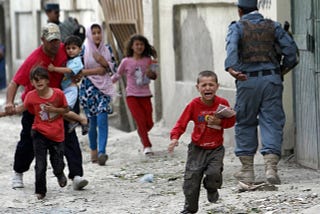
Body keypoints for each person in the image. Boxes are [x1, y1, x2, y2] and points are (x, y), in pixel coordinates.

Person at [5, 23, 88, 190]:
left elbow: (77, 59)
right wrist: (9, 102)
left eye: (57, 40)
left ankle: (76, 175)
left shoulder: (65, 49)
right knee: (28, 141)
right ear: (43, 40)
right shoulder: (34, 58)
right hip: (34, 105)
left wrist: (77, 73)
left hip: (58, 102)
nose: (55, 44)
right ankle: (18, 173)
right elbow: (14, 82)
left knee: (69, 137)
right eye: (51, 41)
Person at [224, 0, 299, 185]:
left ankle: (248, 171)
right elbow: (292, 54)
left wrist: (232, 69)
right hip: (272, 80)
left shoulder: (237, 27)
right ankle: (271, 168)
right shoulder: (274, 26)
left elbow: (232, 49)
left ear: (240, 11)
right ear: (257, 8)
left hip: (246, 80)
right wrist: (279, 71)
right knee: (272, 121)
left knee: (245, 122)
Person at [168, 70, 236, 214]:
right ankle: (189, 209)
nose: (208, 88)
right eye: (204, 85)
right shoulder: (193, 105)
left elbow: (231, 121)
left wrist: (220, 122)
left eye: (211, 84)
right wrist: (175, 138)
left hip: (216, 149)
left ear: (217, 86)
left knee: (214, 174)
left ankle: (211, 188)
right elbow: (181, 123)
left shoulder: (222, 103)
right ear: (197, 87)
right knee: (191, 182)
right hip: (197, 150)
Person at [11, 67, 68, 200]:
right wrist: (8, 110)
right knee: (40, 163)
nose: (39, 82)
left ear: (47, 80)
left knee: (57, 161)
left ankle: (59, 173)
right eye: (35, 80)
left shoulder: (58, 94)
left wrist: (53, 109)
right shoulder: (31, 96)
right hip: (39, 132)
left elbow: (66, 110)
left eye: (41, 78)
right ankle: (40, 190)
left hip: (57, 133)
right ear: (32, 82)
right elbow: (23, 108)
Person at [111, 34, 157, 155]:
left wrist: (150, 72)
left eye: (141, 44)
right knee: (140, 120)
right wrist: (106, 83)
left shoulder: (148, 60)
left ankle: (142, 132)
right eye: (137, 44)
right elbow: (117, 75)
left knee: (149, 123)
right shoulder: (126, 61)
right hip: (132, 96)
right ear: (132, 46)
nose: (139, 47)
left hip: (146, 95)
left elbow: (154, 76)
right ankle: (147, 146)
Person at [77, 22, 116, 165]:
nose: (97, 35)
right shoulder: (84, 50)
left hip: (103, 89)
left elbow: (114, 69)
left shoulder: (107, 49)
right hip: (88, 90)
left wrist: (104, 62)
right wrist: (96, 71)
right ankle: (93, 150)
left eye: (99, 32)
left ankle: (102, 152)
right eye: (93, 33)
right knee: (92, 123)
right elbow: (77, 72)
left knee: (102, 119)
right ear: (89, 35)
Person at [48, 35, 89, 135]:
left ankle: (82, 120)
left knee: (63, 110)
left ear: (80, 49)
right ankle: (73, 121)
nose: (70, 50)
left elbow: (69, 71)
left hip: (71, 89)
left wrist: (54, 69)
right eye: (68, 48)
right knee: (60, 110)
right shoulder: (68, 60)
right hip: (65, 89)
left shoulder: (77, 61)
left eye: (73, 48)